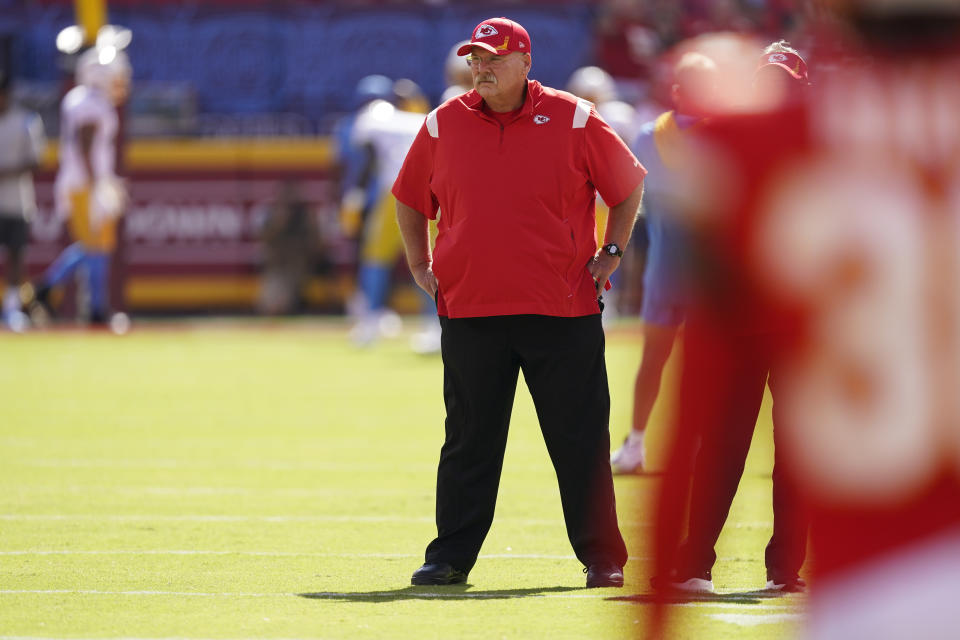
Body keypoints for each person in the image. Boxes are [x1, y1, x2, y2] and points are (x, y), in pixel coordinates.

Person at [393, 17, 645, 588]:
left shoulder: (576, 116)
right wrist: (417, 263)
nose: (480, 69)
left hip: (564, 308)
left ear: (526, 63)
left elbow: (627, 186)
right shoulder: (440, 124)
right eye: (475, 59)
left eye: (494, 59)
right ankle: (449, 557)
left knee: (579, 439)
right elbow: (410, 198)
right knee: (469, 441)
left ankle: (603, 558)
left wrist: (612, 249)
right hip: (471, 309)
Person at [649, 40, 811, 598]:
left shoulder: (820, 147)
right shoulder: (725, 141)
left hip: (792, 326)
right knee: (722, 447)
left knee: (795, 454)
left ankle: (784, 569)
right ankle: (696, 563)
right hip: (739, 322)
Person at [610, 51, 717, 474]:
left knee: (658, 361)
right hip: (697, 273)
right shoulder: (722, 134)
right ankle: (669, 444)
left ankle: (642, 443)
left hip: (671, 269)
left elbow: (631, 201)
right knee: (682, 362)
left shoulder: (649, 135)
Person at [30, 44, 130, 327]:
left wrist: (105, 180)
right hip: (84, 183)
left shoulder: (88, 100)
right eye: (116, 76)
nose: (120, 82)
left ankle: (69, 297)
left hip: (89, 181)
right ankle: (56, 293)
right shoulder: (90, 103)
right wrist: (98, 184)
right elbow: (86, 146)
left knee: (98, 247)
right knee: (93, 247)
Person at [343, 78, 432, 348]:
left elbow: (368, 160)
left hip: (395, 193)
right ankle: (435, 326)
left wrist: (355, 197)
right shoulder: (420, 116)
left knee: (376, 258)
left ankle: (370, 321)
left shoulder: (372, 119)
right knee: (429, 259)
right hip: (430, 191)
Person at [0, 69, 46, 332]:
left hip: (17, 201)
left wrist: (7, 171)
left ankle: (11, 308)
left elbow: (36, 161)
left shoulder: (25, 121)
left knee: (16, 256)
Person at [257, 180, 319, 315]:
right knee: (269, 303)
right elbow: (264, 239)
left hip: (297, 267)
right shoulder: (273, 213)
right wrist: (279, 221)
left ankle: (290, 305)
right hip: (276, 267)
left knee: (282, 302)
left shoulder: (304, 216)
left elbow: (315, 244)